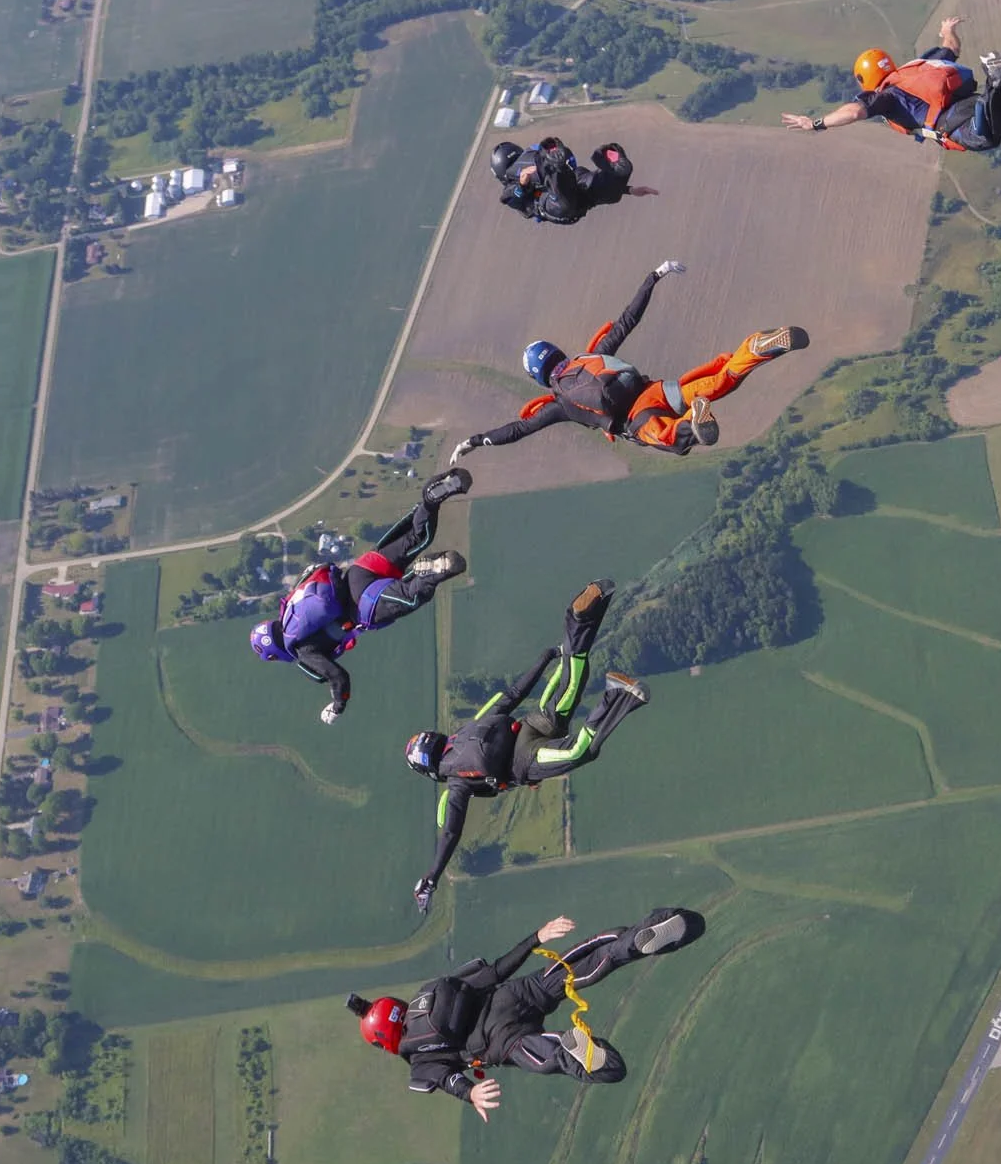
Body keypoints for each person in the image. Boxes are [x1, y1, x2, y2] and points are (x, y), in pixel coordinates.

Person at [406, 582, 649, 913]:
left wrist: (431, 879)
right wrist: (542, 661)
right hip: (529, 724)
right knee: (568, 681)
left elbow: (450, 834)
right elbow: (509, 697)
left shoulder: (456, 780)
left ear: (429, 769)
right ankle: (579, 622)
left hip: (524, 761)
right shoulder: (464, 733)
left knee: (581, 752)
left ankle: (617, 695)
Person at [349, 906, 704, 1118]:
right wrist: (538, 936)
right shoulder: (431, 993)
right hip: (513, 995)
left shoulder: (418, 1061)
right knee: (580, 965)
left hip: (502, 1042)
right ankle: (629, 941)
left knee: (592, 1067)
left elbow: (447, 1080)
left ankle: (572, 1051)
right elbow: (498, 969)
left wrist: (470, 1094)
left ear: (385, 1041)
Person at [451, 262, 807, 460]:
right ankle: (754, 348)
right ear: (558, 353)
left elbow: (518, 430)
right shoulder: (592, 354)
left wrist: (474, 441)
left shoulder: (558, 403)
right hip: (657, 391)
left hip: (638, 419)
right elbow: (628, 319)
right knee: (720, 379)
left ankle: (691, 425)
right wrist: (654, 275)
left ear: (540, 378)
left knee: (671, 440)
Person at [249, 469, 471, 722]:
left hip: (362, 605)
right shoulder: (290, 604)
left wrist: (337, 706)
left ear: (276, 653)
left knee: (410, 596)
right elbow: (316, 570)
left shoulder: (302, 651)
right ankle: (431, 501)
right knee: (415, 537)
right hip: (359, 571)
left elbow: (338, 677)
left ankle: (430, 572)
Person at [779, 18, 1001, 152]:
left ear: (866, 79)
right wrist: (947, 28)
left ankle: (996, 83)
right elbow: (952, 47)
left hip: (961, 123)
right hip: (976, 106)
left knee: (986, 140)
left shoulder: (886, 96)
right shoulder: (919, 65)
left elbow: (854, 112)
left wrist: (817, 124)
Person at [489, 136, 650, 225]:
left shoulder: (514, 183)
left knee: (599, 188)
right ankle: (554, 167)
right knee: (567, 192)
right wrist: (522, 184)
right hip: (552, 201)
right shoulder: (511, 191)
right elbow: (511, 197)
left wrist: (628, 189)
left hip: (573, 197)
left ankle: (614, 171)